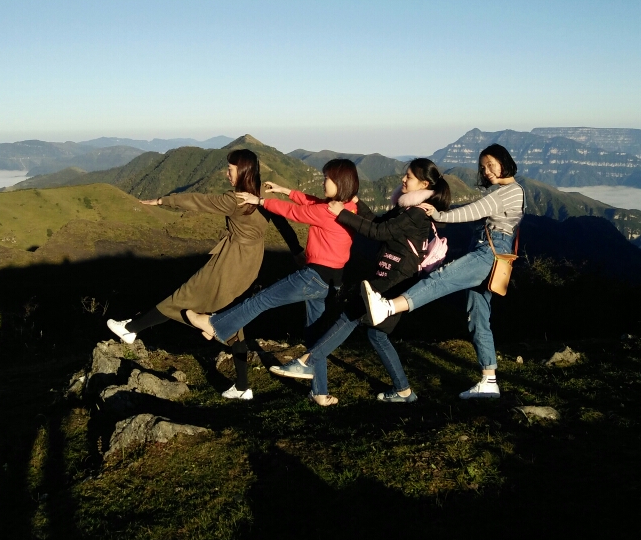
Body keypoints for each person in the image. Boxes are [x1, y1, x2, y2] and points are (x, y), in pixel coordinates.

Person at [105, 149, 301, 401]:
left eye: (230, 169)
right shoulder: (263, 194)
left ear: (242, 171)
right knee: (234, 317)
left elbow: (198, 201)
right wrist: (296, 250)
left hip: (230, 262)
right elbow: (283, 222)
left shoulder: (236, 200)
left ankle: (131, 329)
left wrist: (162, 201)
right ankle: (242, 385)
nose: (226, 173)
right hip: (252, 262)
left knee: (184, 295)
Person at [269, 159, 451, 405]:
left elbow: (378, 233)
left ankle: (308, 362)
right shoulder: (407, 208)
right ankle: (404, 392)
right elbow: (378, 224)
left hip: (397, 278)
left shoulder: (417, 212)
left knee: (353, 311)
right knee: (377, 334)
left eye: (408, 176)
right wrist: (356, 203)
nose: (403, 179)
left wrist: (342, 214)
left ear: (424, 183)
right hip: (390, 274)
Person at [186, 159, 360, 406]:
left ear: (340, 182)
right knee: (314, 335)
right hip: (331, 280)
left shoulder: (326, 212)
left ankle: (216, 325)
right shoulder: (347, 208)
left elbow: (295, 213)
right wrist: (286, 191)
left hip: (314, 277)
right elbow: (310, 201)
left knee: (261, 299)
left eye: (327, 179)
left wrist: (261, 201)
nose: (323, 182)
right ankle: (320, 393)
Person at [362, 144, 525, 399]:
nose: (487, 171)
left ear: (504, 161)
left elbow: (476, 210)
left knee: (442, 279)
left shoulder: (510, 191)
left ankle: (388, 307)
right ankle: (489, 380)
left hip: (488, 253)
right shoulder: (503, 191)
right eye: (483, 167)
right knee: (478, 316)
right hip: (489, 251)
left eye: (491, 164)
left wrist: (440, 214)